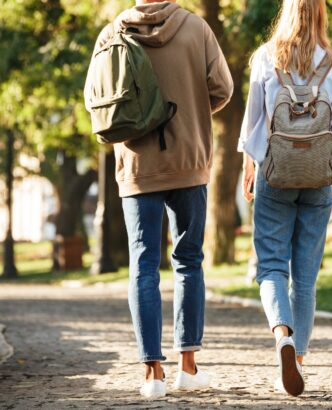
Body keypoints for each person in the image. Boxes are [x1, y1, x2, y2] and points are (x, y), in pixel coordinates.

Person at [85, 0, 233, 399]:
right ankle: (188, 367)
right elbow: (223, 89)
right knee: (188, 262)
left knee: (143, 264)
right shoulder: (196, 28)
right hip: (189, 161)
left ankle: (152, 373)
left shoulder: (111, 33)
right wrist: (193, 114)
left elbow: (96, 104)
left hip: (137, 165)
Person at [238, 0, 332, 397]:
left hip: (275, 173)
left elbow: (253, 121)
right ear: (321, 15)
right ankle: (298, 360)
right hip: (318, 179)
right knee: (305, 278)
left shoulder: (265, 58)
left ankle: (282, 337)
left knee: (271, 266)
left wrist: (249, 165)